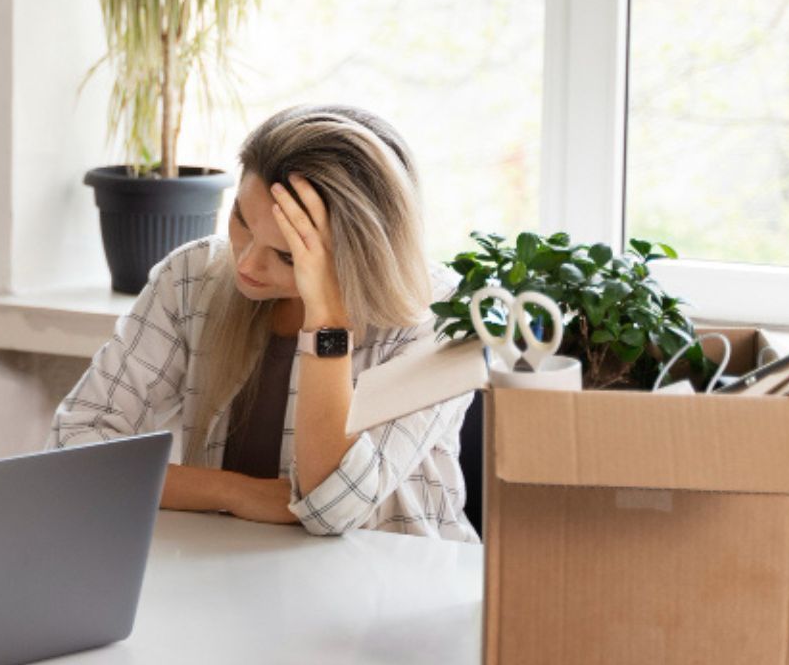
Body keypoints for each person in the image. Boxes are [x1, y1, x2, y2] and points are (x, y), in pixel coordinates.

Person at [47, 103, 475, 541]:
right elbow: (72, 451)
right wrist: (235, 493)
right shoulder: (193, 276)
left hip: (398, 586)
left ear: (359, 253)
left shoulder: (442, 315)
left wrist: (325, 318)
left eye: (289, 254)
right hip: (233, 572)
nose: (247, 262)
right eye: (242, 220)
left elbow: (332, 507)